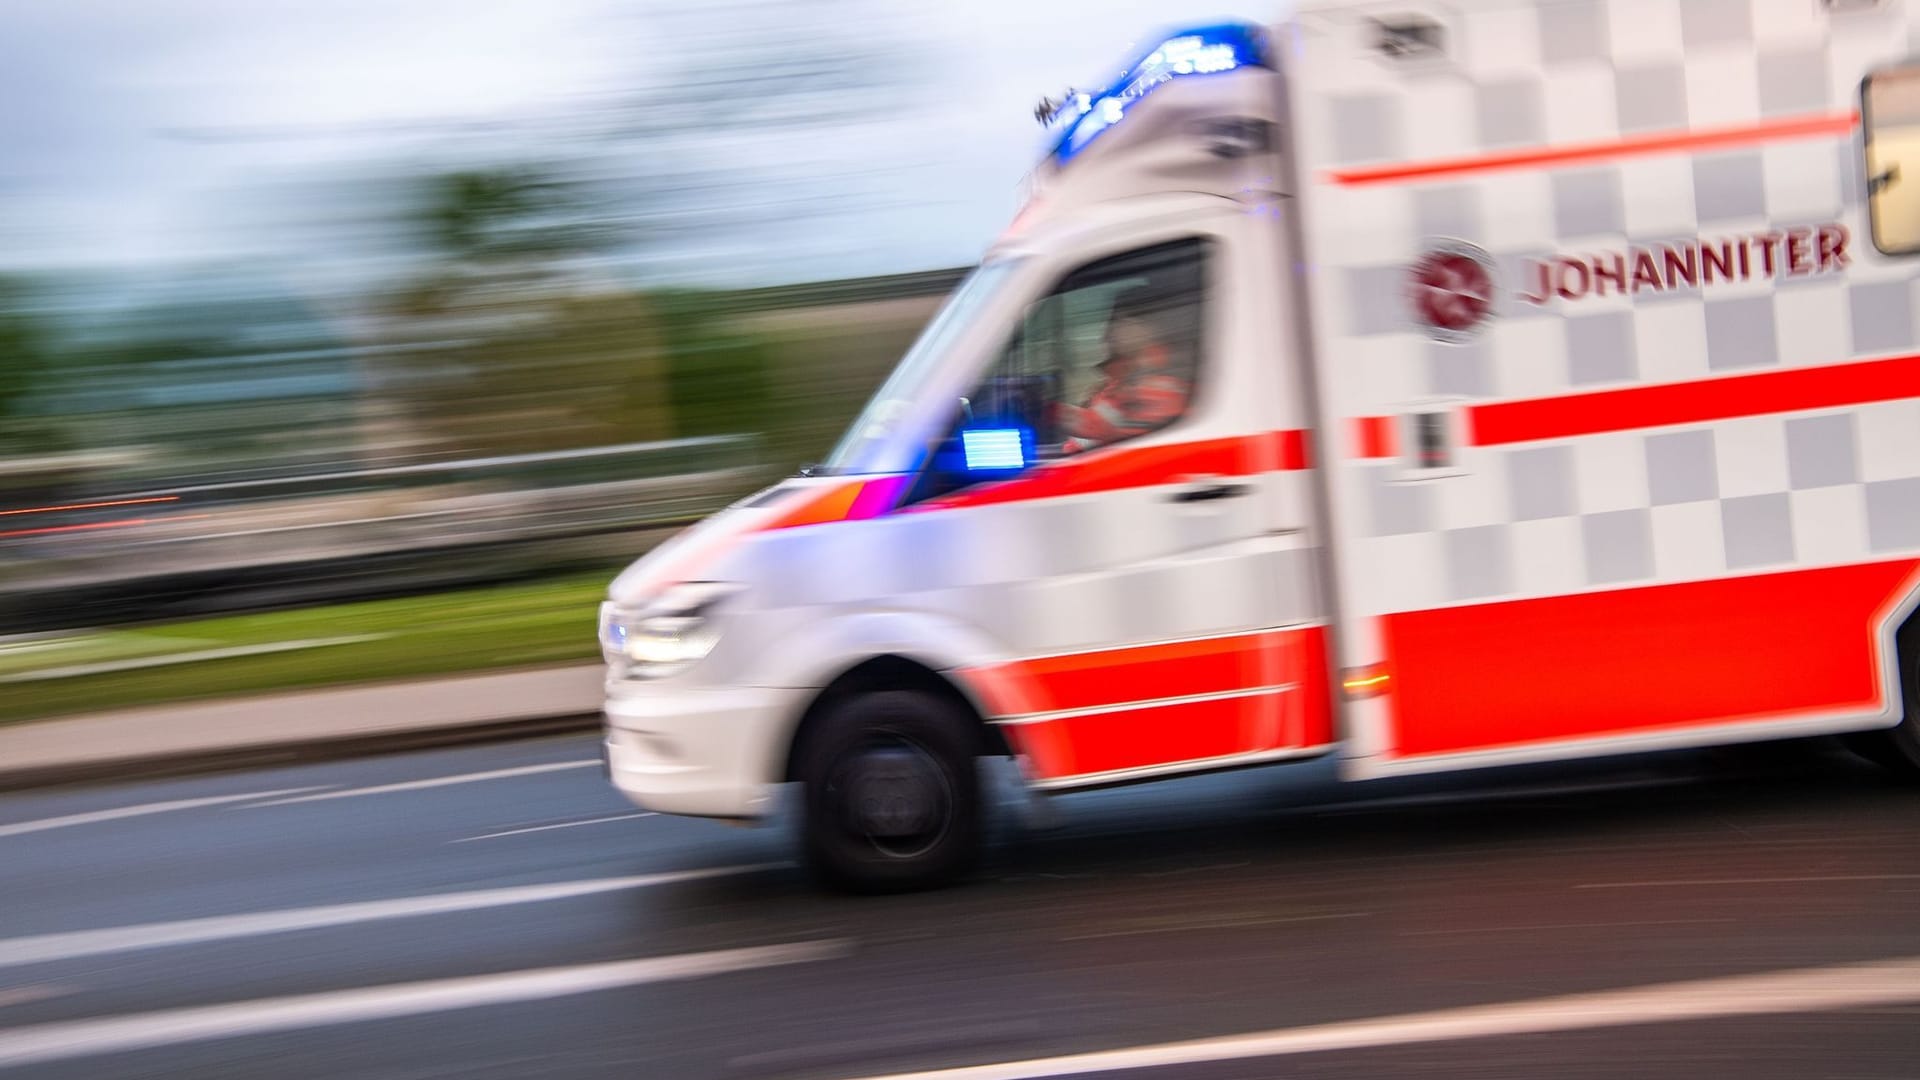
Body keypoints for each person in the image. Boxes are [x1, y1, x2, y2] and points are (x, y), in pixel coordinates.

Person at [1056, 310, 1191, 454]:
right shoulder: (1120, 383)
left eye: (1127, 320)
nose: (1109, 336)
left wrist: (1052, 412)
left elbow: (1098, 425)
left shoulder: (1160, 388)